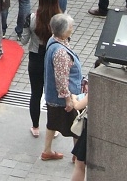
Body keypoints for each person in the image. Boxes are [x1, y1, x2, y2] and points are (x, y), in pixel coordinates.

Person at [41, 13, 84, 162]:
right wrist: (68, 100)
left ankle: (47, 150)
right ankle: (77, 156)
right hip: (65, 98)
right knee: (77, 125)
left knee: (52, 122)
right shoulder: (60, 52)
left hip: (52, 95)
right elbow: (61, 78)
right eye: (70, 27)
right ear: (64, 31)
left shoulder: (53, 40)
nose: (72, 29)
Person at [27, 0, 62, 138]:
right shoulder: (60, 19)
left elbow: (24, 40)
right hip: (53, 60)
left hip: (35, 58)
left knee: (35, 93)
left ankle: (35, 127)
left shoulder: (32, 18)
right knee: (51, 95)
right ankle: (52, 128)